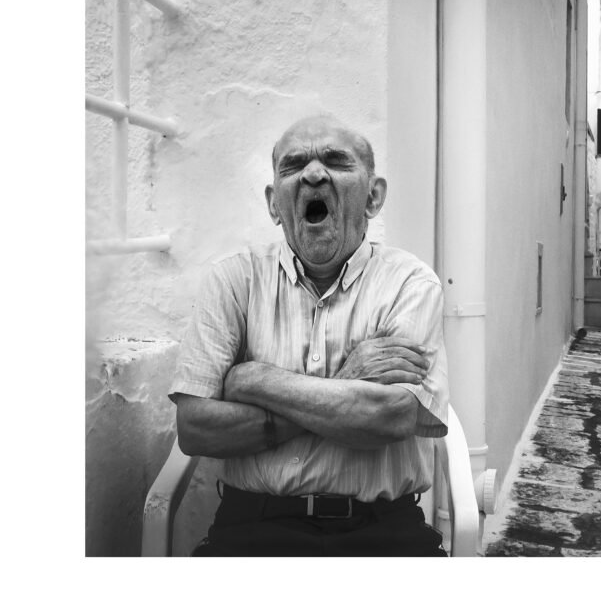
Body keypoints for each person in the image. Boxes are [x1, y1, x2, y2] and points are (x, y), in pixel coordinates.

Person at [169, 115, 449, 556]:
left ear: (373, 197)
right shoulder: (233, 280)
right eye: (294, 164)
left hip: (383, 530)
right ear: (274, 205)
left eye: (336, 161)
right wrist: (346, 384)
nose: (314, 174)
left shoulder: (410, 282)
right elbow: (196, 429)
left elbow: (390, 416)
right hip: (253, 525)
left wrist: (252, 380)